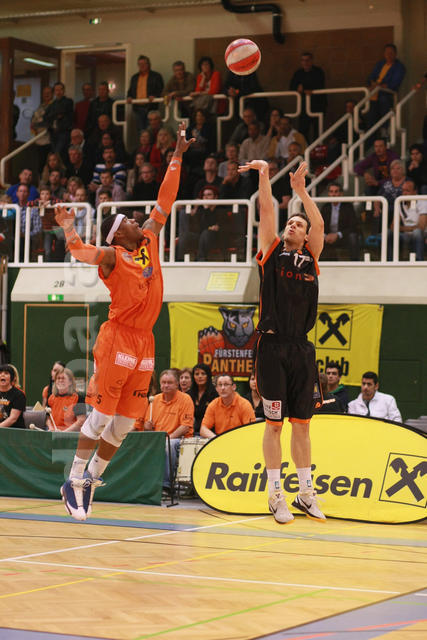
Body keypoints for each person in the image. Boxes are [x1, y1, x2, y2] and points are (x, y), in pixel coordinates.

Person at [54, 122, 193, 521]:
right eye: (129, 220)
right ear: (119, 235)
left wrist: (177, 155)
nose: (137, 219)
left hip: (144, 340)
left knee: (124, 425)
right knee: (100, 418)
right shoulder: (114, 256)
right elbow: (82, 252)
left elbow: (166, 198)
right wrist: (68, 227)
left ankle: (92, 480)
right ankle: (73, 478)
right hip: (117, 337)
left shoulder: (149, 238)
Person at [238, 158, 326, 524]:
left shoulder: (311, 258)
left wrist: (302, 192)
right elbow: (265, 211)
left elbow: (319, 224)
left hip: (301, 348)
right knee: (273, 424)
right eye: (291, 222)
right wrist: (264, 175)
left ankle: (306, 493)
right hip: (272, 347)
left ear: (306, 237)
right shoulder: (272, 253)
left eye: (299, 224)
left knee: (302, 424)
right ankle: (276, 494)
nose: (294, 224)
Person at [140, 369, 194, 493]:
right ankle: (143, 484)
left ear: (177, 384)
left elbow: (185, 426)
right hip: (158, 438)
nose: (166, 385)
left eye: (169, 383)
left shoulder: (186, 399)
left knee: (168, 444)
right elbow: (147, 427)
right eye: (163, 382)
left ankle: (166, 485)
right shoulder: (154, 400)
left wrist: (167, 438)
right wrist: (147, 427)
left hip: (179, 440)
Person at [200, 374, 255, 439]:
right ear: (216, 388)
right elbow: (203, 429)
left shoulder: (245, 405)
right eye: (220, 385)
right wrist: (217, 439)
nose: (222, 388)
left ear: (234, 387)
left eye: (226, 384)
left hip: (239, 440)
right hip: (220, 441)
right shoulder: (213, 405)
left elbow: (251, 430)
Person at [289, 52, 326, 142]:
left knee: (318, 130)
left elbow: (319, 85)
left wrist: (305, 89)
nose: (305, 63)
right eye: (303, 60)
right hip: (303, 107)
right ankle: (304, 149)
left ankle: (317, 148)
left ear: (311, 61)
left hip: (318, 105)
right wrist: (298, 89)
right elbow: (292, 87)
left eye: (307, 60)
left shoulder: (318, 72)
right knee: (303, 130)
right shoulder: (298, 73)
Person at [366, 44, 406, 129]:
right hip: (374, 94)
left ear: (395, 54)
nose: (389, 55)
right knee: (370, 118)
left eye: (391, 53)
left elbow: (394, 84)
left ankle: (384, 131)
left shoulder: (399, 67)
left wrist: (379, 86)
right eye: (387, 53)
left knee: (383, 105)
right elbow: (371, 77)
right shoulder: (380, 64)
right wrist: (373, 84)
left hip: (386, 95)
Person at [320, 182, 360, 261]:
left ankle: (355, 263)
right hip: (328, 237)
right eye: (331, 192)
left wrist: (337, 235)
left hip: (342, 236)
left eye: (336, 191)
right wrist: (325, 236)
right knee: (316, 238)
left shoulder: (348, 207)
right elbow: (319, 226)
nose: (333, 194)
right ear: (328, 194)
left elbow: (353, 226)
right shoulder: (325, 207)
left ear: (341, 194)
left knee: (353, 237)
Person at [126, 55, 164, 131]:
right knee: (141, 131)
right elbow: (130, 90)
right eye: (140, 64)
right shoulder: (134, 77)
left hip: (151, 108)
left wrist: (154, 96)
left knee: (152, 130)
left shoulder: (156, 76)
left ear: (149, 64)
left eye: (144, 64)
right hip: (137, 109)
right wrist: (129, 97)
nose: (142, 66)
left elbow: (161, 90)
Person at [397, 179, 427, 261]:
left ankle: (418, 261)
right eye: (403, 191)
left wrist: (402, 228)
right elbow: (393, 227)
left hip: (423, 234)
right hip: (406, 235)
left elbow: (421, 227)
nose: (404, 193)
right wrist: (410, 228)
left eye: (407, 191)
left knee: (417, 232)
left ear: (415, 192)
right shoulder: (399, 202)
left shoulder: (423, 202)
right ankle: (390, 262)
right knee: (389, 233)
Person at [43, 82, 74, 160]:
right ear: (54, 92)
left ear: (64, 91)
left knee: (59, 154)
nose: (58, 92)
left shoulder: (68, 101)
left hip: (64, 132)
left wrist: (53, 115)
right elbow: (45, 116)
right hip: (53, 133)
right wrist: (55, 115)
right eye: (56, 90)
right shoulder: (53, 103)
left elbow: (61, 111)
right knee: (54, 153)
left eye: (60, 90)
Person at [187, 363, 218, 435]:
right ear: (193, 377)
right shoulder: (188, 394)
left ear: (208, 376)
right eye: (197, 374)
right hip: (191, 431)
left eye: (203, 374)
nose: (200, 376)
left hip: (210, 431)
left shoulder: (215, 393)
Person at [30, 86, 53, 173]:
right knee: (40, 165)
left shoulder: (54, 106)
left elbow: (48, 123)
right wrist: (34, 127)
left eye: (48, 93)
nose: (46, 95)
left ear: (52, 94)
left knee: (50, 165)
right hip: (39, 140)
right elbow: (33, 122)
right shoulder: (40, 107)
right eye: (44, 93)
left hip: (50, 141)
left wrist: (38, 124)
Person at [0, 364, 26, 429]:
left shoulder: (19, 395)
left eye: (6, 373)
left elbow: (13, 419)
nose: (2, 375)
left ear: (12, 378)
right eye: (0, 373)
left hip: (14, 431)